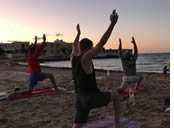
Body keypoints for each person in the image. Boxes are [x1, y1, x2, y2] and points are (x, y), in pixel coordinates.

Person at [70, 10, 120, 128]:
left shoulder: (73, 57)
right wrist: (112, 24)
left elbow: (74, 45)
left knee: (77, 125)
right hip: (90, 98)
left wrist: (78, 34)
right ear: (88, 48)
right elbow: (102, 42)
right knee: (116, 95)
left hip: (80, 98)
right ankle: (117, 125)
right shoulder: (86, 57)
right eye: (91, 49)